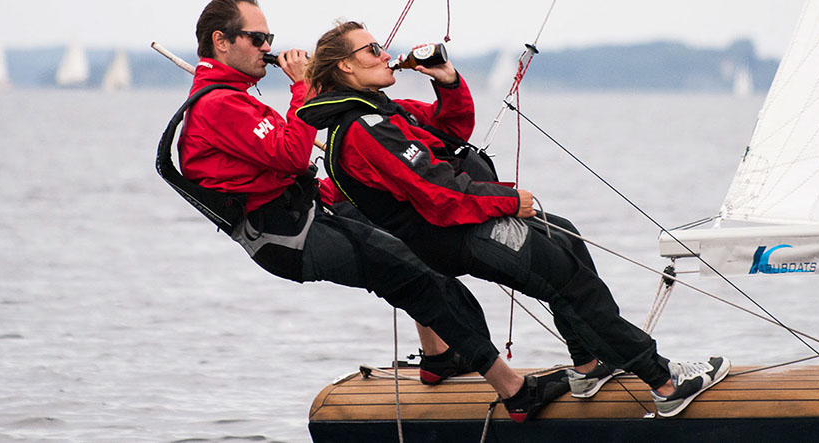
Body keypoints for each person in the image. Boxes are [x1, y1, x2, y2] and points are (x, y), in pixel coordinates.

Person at [297, 21, 731, 419]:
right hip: (460, 233)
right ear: (346, 66)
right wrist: (508, 200)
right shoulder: (365, 128)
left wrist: (447, 81)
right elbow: (439, 193)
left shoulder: (386, 112)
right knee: (572, 285)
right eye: (372, 49)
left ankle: (588, 366)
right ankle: (665, 383)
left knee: (566, 236)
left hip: (468, 221)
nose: (386, 54)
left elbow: (451, 131)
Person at [167, 0, 567, 424]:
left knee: (416, 235)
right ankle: (514, 392)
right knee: (417, 275)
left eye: (270, 39)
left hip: (306, 210)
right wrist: (303, 88)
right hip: (286, 236)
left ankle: (439, 356)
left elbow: (277, 167)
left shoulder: (233, 98)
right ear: (221, 41)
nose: (267, 47)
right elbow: (290, 155)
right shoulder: (217, 105)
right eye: (258, 38)